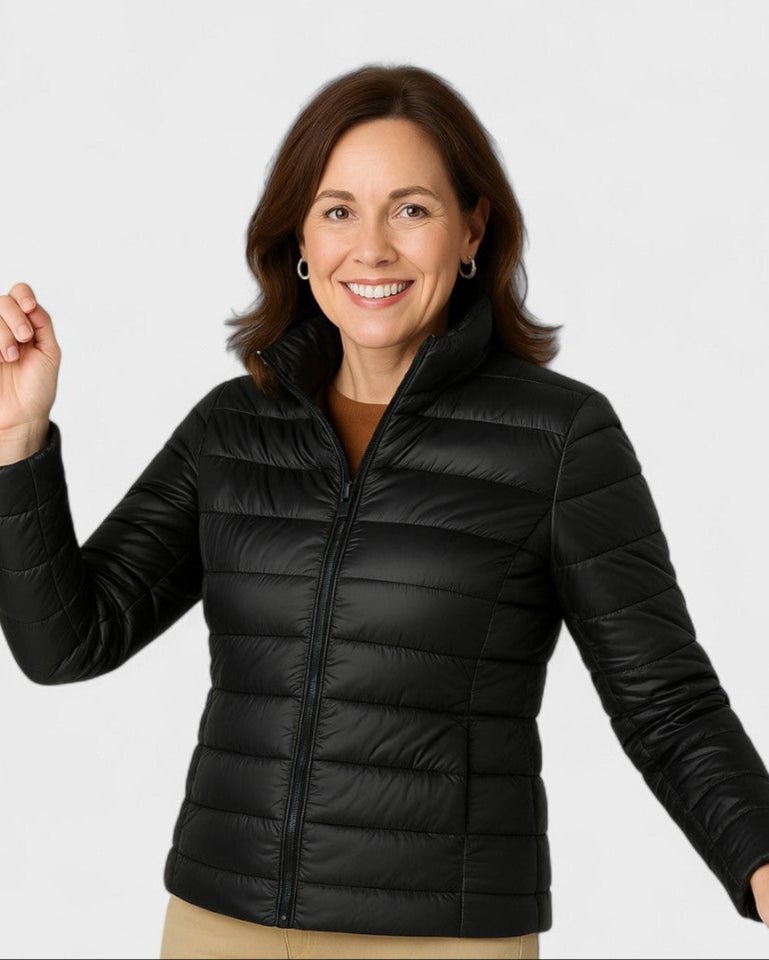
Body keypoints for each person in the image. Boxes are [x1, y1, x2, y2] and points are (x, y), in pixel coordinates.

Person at [1, 62, 768, 960]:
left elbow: (664, 702)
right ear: (298, 237)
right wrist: (18, 443)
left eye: (410, 209)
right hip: (220, 923)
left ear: (471, 229)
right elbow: (68, 643)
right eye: (337, 211)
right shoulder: (233, 429)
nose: (370, 249)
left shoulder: (557, 439)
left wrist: (758, 856)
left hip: (441, 939)